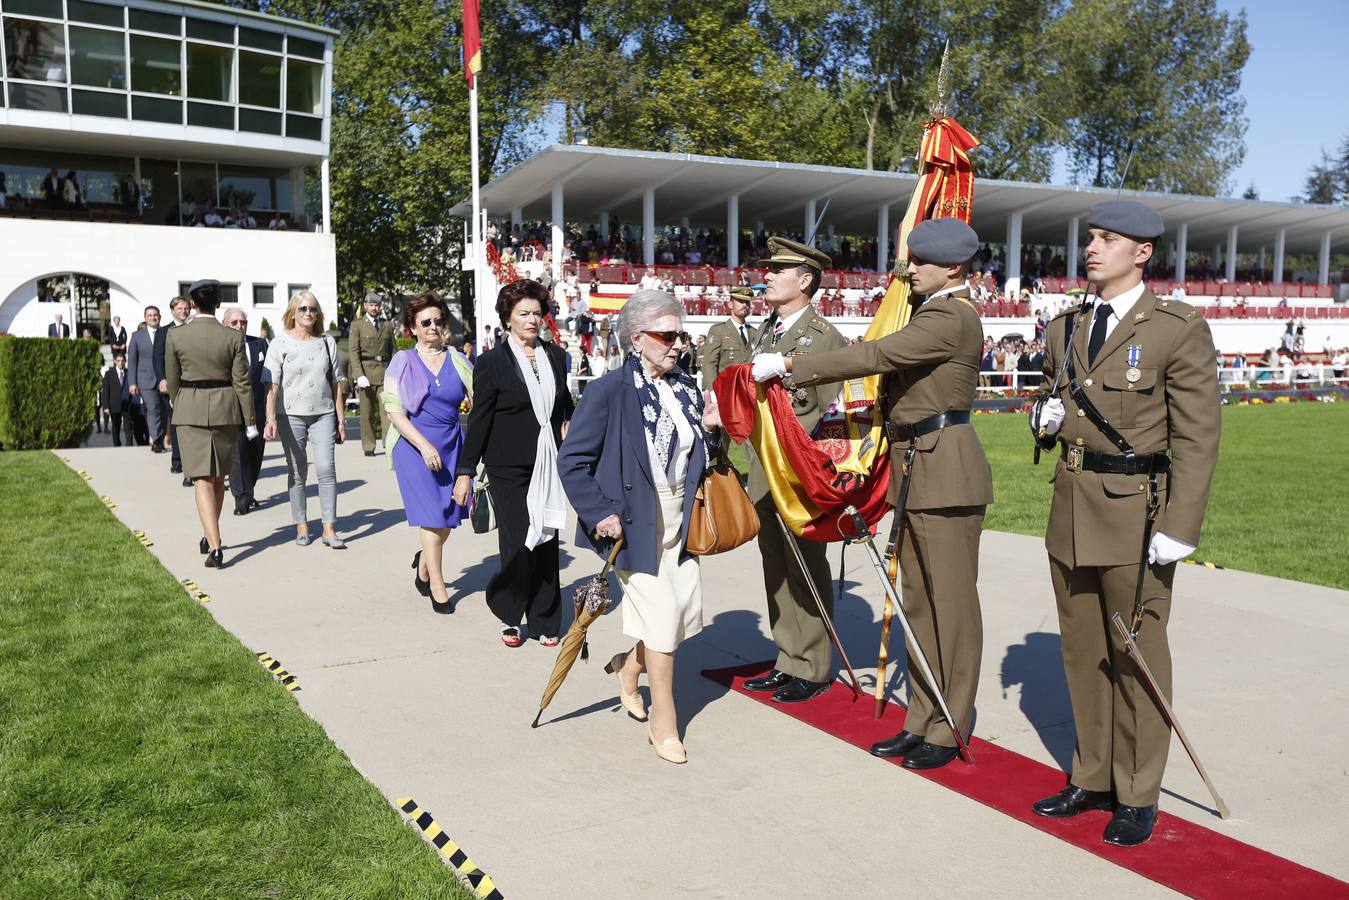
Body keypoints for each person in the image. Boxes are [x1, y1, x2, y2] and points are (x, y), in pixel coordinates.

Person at [753, 218, 993, 769]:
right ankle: (922, 719)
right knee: (919, 604)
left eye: (920, 262)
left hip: (947, 469)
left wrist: (790, 364)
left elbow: (874, 357)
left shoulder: (951, 317)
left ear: (952, 268)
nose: (908, 271)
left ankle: (950, 723)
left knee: (949, 606)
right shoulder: (932, 312)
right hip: (916, 466)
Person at [1029, 200, 1220, 847]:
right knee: (1082, 652)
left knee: (1135, 655)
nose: (1090, 248)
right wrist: (1043, 420)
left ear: (1141, 252)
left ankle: (1137, 792)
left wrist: (1180, 522)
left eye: (1106, 239)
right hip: (1072, 507)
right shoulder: (1065, 326)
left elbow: (1197, 437)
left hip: (1137, 512)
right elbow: (1049, 397)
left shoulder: (1174, 328)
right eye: (1088, 237)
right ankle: (1092, 774)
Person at [560, 290, 722, 764]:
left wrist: (711, 429)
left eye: (680, 336)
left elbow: (701, 462)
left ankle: (627, 669)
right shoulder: (609, 390)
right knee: (665, 616)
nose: (677, 345)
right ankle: (664, 722)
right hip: (631, 523)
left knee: (681, 614)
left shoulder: (688, 388)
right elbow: (573, 461)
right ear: (637, 339)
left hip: (679, 521)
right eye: (666, 336)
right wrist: (599, 512)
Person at [741, 237, 847, 704]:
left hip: (797, 470)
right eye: (767, 268)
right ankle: (788, 656)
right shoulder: (767, 331)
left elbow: (819, 412)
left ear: (805, 280)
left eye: (776, 269)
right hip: (763, 465)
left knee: (805, 566)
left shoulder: (822, 338)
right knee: (775, 564)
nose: (765, 275)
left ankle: (815, 664)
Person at [455, 279, 574, 647]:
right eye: (524, 313)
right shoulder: (492, 362)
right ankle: (510, 612)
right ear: (507, 318)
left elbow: (564, 404)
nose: (532, 320)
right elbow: (479, 421)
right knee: (521, 539)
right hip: (507, 466)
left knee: (547, 537)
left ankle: (544, 618)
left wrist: (570, 426)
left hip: (548, 460)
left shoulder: (555, 356)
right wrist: (465, 472)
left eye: (537, 313)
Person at [384, 293, 475, 613]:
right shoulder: (402, 361)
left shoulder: (459, 360)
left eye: (438, 320)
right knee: (431, 517)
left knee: (450, 517)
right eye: (426, 322)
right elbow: (394, 412)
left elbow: (479, 403)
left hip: (452, 444)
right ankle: (437, 585)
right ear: (413, 327)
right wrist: (423, 446)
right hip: (413, 446)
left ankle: (424, 561)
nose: (433, 326)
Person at [164, 280, 257, 568]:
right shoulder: (232, 337)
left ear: (192, 303)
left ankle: (215, 546)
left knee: (203, 479)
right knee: (218, 477)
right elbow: (242, 382)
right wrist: (249, 420)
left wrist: (179, 402)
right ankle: (211, 533)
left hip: (190, 407)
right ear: (218, 304)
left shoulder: (176, 336)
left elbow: (173, 378)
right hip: (225, 408)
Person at [263, 291, 348, 548]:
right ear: (293, 313)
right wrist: (270, 418)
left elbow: (336, 385)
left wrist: (341, 421)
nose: (308, 313)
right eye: (303, 309)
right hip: (290, 415)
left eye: (312, 309)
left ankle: (329, 529)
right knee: (298, 472)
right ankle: (301, 525)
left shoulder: (327, 343)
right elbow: (272, 385)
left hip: (323, 414)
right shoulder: (280, 343)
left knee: (326, 468)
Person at [221, 308, 268, 516]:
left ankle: (248, 491)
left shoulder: (259, 344)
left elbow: (268, 376)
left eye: (243, 322)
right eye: (234, 323)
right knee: (238, 454)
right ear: (224, 324)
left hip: (257, 408)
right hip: (232, 409)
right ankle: (240, 498)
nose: (240, 326)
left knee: (256, 454)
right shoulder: (219, 346)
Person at [349, 292, 398, 457]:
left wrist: (396, 373)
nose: (374, 308)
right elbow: (353, 352)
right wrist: (358, 375)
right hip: (366, 373)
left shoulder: (387, 325)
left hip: (384, 372)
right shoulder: (357, 326)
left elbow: (393, 351)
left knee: (387, 412)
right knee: (367, 413)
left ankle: (388, 444)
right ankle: (369, 446)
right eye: (371, 305)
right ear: (365, 306)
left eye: (376, 305)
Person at [155, 296, 191, 479]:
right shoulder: (163, 331)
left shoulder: (193, 329)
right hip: (170, 385)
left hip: (190, 383)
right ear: (172, 311)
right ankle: (177, 461)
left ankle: (190, 461)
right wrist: (162, 379)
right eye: (180, 309)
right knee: (176, 422)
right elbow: (158, 357)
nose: (183, 311)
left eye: (186, 308)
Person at [699, 286, 757, 391]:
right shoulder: (718, 331)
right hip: (727, 390)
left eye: (747, 302)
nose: (745, 305)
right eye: (740, 301)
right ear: (730, 304)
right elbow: (710, 364)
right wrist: (713, 393)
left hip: (750, 391)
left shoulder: (754, 333)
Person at [128, 305, 166, 452]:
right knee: (153, 408)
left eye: (155, 315)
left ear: (160, 317)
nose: (153, 318)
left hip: (164, 378)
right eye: (149, 315)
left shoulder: (166, 333)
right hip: (145, 379)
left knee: (163, 411)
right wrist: (132, 383)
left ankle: (159, 438)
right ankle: (156, 440)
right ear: (145, 318)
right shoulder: (137, 336)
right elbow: (132, 360)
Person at [99, 351, 135, 446]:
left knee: (128, 426)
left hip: (127, 404)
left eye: (122, 361)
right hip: (114, 405)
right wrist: (106, 407)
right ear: (114, 361)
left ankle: (129, 446)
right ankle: (117, 445)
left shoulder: (128, 373)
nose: (121, 363)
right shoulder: (109, 374)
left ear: (125, 361)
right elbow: (105, 391)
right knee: (116, 427)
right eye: (118, 361)